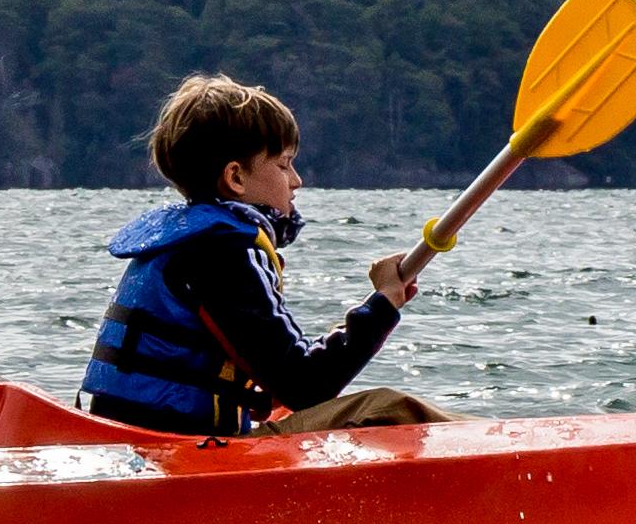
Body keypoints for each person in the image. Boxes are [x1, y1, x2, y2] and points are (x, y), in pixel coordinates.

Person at [81, 73, 436, 438]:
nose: (296, 180)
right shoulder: (224, 249)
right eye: (284, 165)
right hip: (184, 452)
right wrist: (382, 304)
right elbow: (306, 386)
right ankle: (495, 460)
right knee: (389, 410)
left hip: (133, 441)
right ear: (235, 177)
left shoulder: (185, 240)